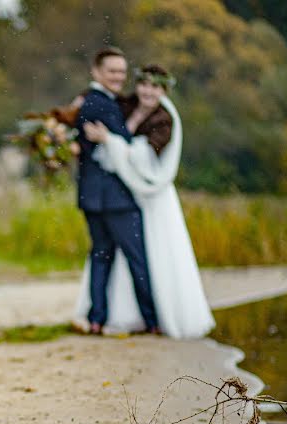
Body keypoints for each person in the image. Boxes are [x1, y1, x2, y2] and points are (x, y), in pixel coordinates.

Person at [75, 64, 215, 339]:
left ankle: (155, 317)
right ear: (137, 86)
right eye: (144, 85)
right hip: (126, 194)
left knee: (150, 255)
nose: (148, 91)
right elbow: (100, 97)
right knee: (118, 255)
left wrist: (109, 140)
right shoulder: (127, 104)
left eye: (155, 86)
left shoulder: (164, 120)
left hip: (152, 194)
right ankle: (117, 316)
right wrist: (80, 101)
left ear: (164, 90)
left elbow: (145, 158)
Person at [75, 48, 160, 336]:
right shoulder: (103, 105)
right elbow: (125, 143)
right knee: (137, 257)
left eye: (122, 72)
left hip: (90, 196)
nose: (118, 77)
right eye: (112, 71)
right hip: (116, 198)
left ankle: (97, 318)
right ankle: (152, 320)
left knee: (101, 255)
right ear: (96, 72)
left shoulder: (85, 102)